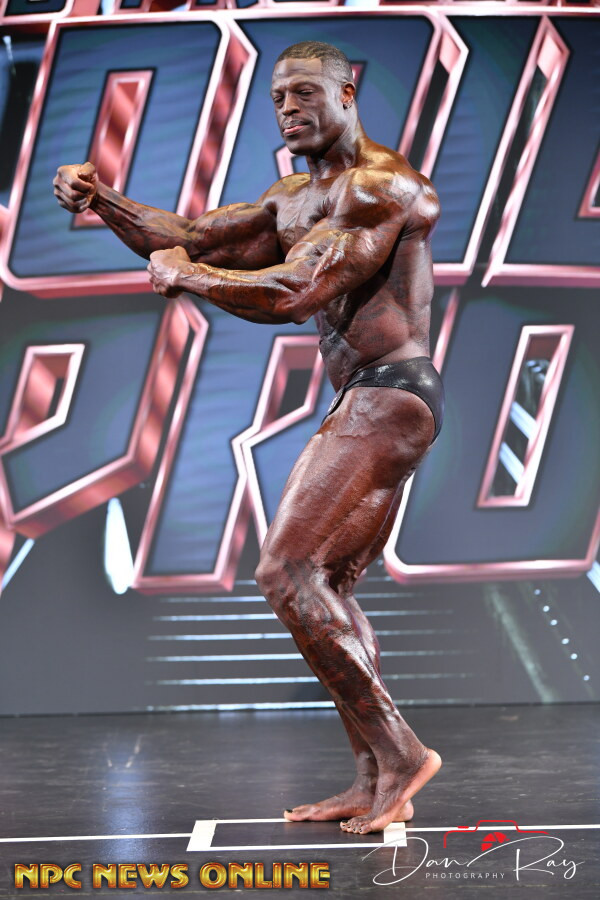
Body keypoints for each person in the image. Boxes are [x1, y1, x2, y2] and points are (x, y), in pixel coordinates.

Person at [53, 41, 444, 835]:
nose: (289, 109)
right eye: (278, 99)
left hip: (392, 393)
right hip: (364, 396)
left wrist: (188, 278)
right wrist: (102, 200)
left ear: (347, 92)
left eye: (305, 93)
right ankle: (373, 777)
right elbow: (191, 235)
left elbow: (297, 291)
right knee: (325, 586)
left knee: (285, 570)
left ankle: (402, 754)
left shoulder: (381, 187)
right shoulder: (293, 198)